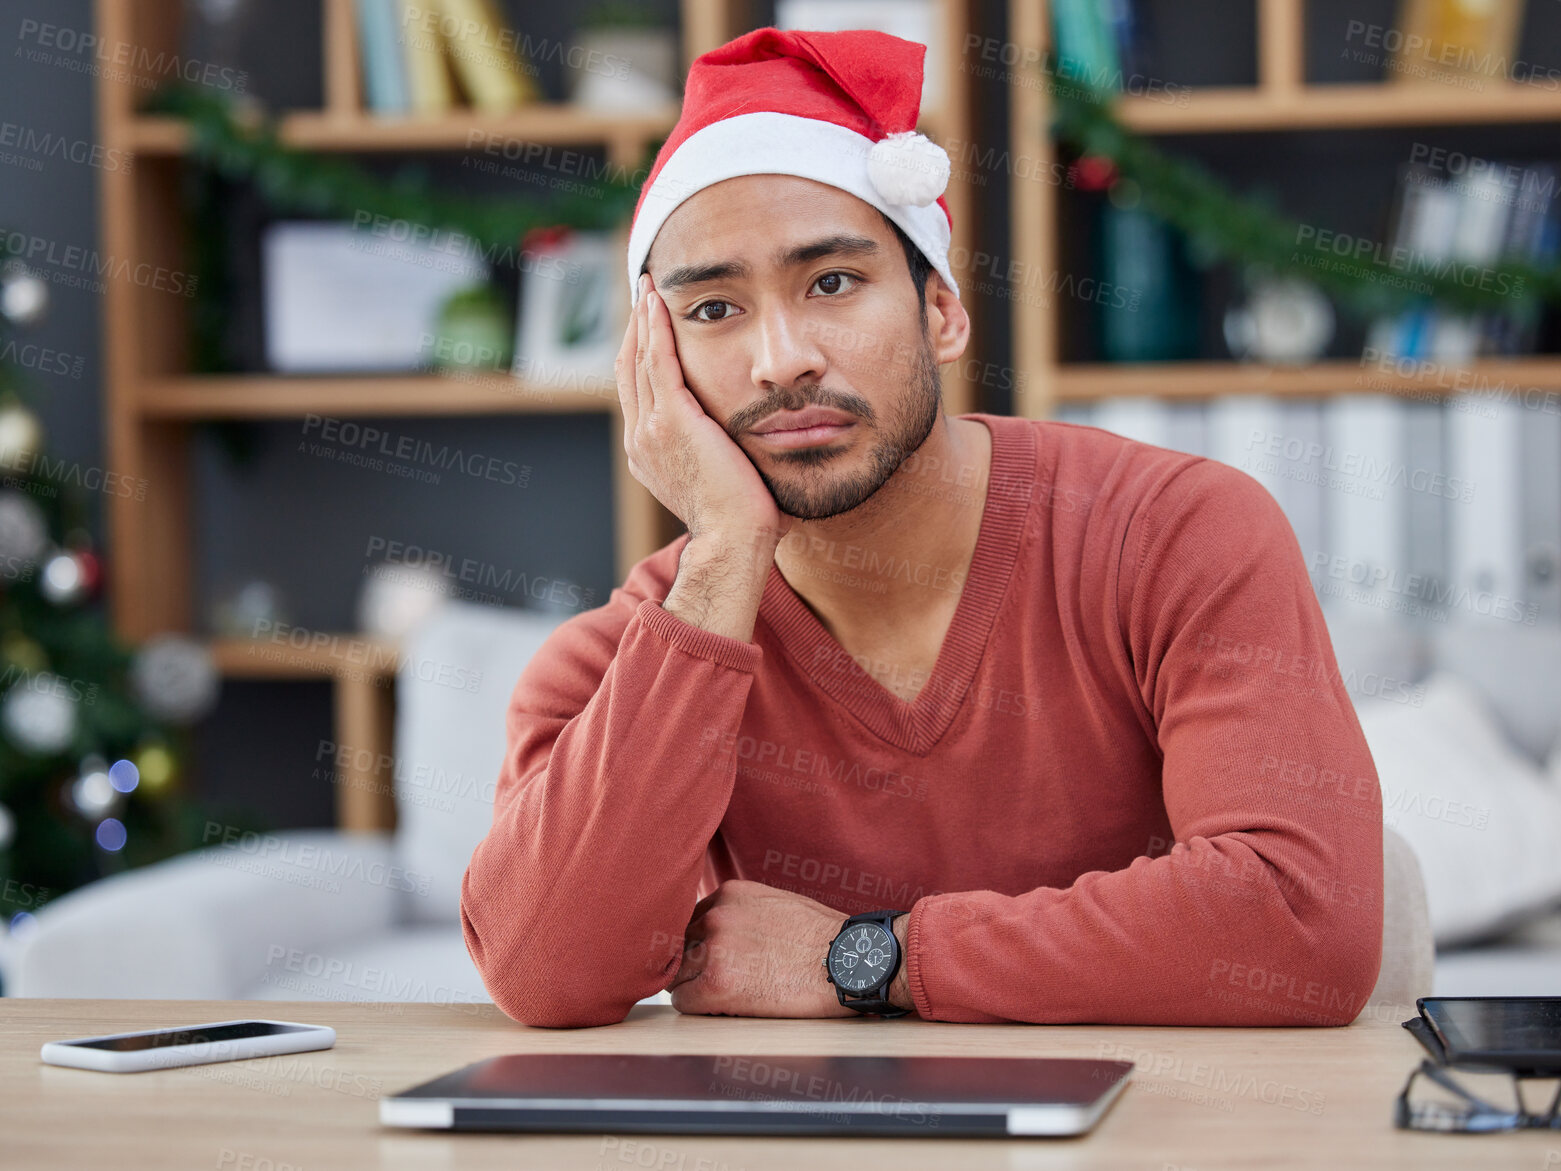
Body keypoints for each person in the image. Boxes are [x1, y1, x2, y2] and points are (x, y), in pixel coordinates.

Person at [461, 27, 1384, 1028]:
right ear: (657, 364)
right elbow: (547, 974)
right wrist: (725, 552)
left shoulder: (1178, 533)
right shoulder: (621, 657)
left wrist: (868, 957)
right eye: (717, 309)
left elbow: (1301, 924)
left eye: (832, 283)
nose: (782, 360)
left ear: (941, 311)